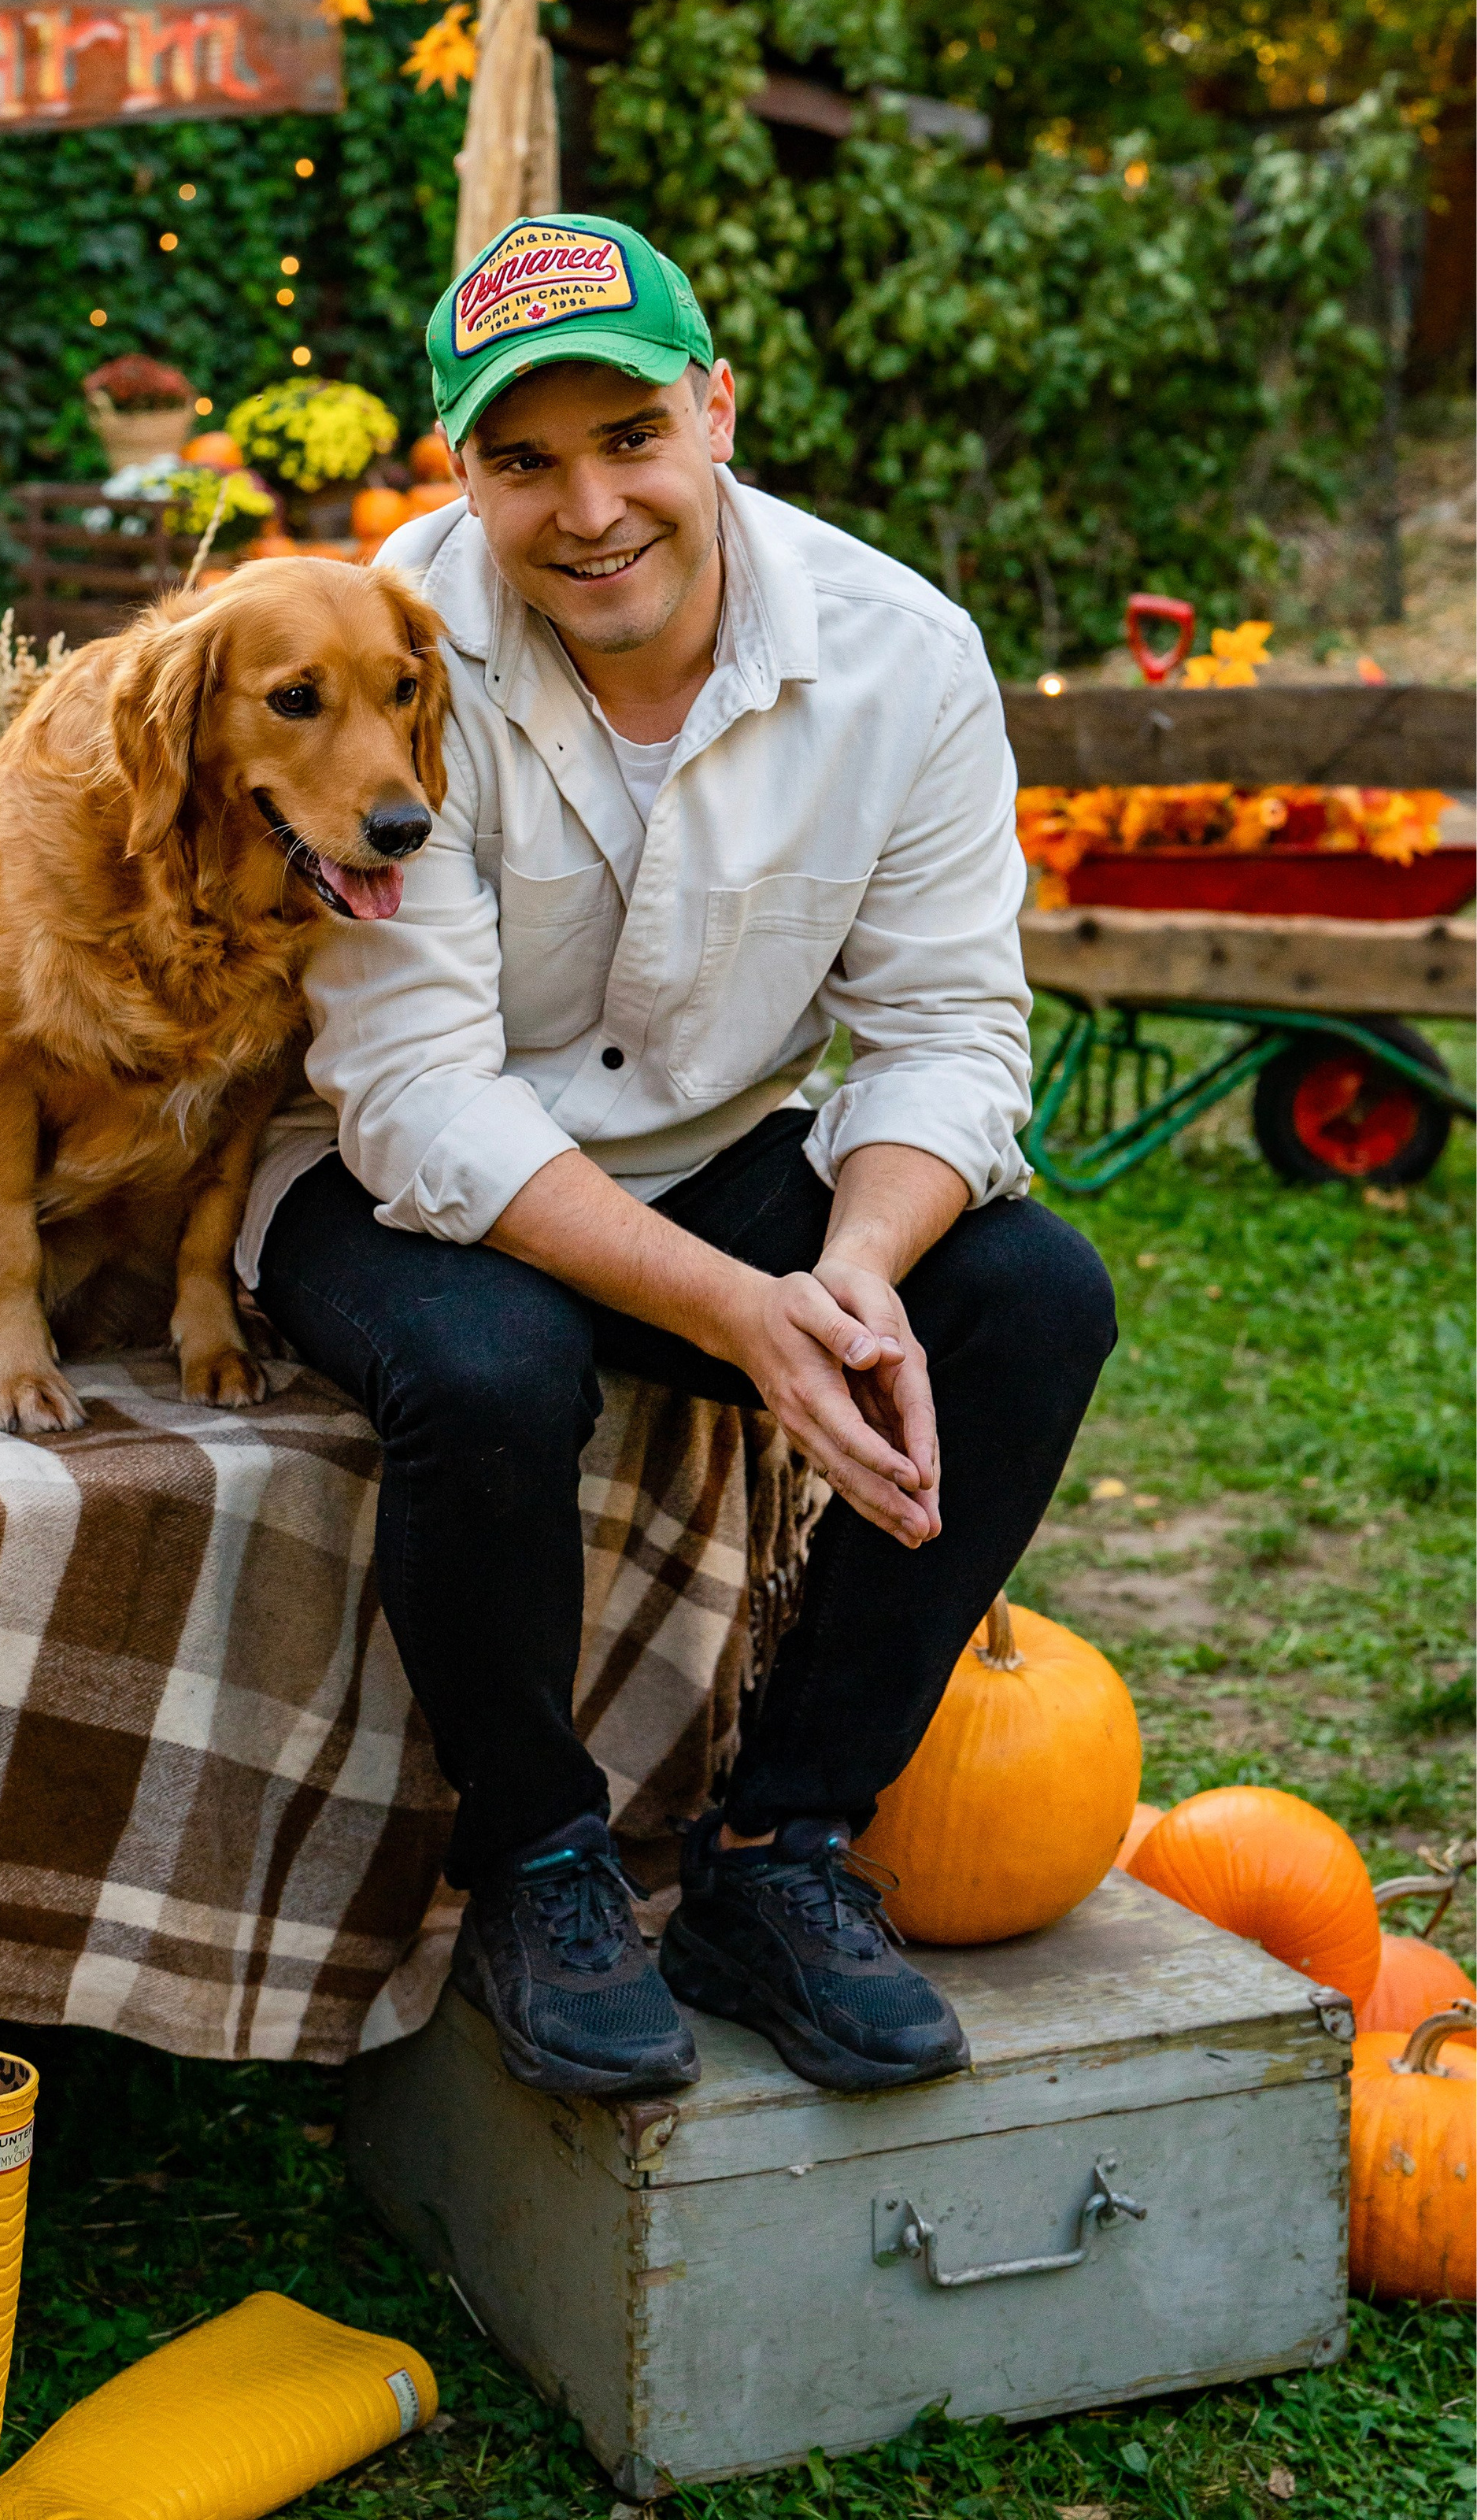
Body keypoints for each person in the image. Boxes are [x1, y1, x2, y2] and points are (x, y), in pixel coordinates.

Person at [246, 213, 1116, 2104]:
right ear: (458, 471)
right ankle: (538, 1856)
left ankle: (776, 1854)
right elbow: (413, 1092)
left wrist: (854, 1274)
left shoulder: (900, 662)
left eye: (627, 435)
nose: (585, 507)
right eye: (520, 459)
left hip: (713, 1146)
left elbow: (951, 1032)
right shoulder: (402, 651)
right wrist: (738, 1312)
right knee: (492, 1365)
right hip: (389, 1170)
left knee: (1029, 1296)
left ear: (717, 410)